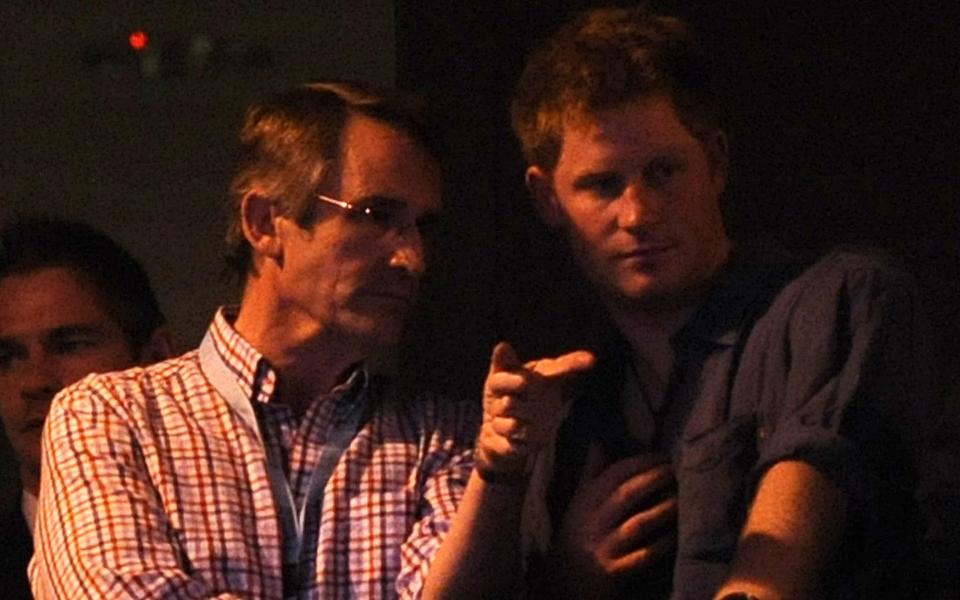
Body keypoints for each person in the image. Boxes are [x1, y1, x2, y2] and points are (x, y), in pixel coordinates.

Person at [472, 7, 958, 599]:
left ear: (717, 162)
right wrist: (566, 573)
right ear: (548, 199)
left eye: (665, 172)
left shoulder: (837, 302)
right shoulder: (577, 412)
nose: (638, 215)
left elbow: (776, 574)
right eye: (602, 185)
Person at [30, 82, 478, 599]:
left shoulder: (444, 437)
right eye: (377, 217)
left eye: (424, 227)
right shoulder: (111, 416)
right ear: (265, 223)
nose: (412, 259)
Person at [0, 216, 171, 600]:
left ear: (156, 358)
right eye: (7, 357)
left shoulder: (226, 541)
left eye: (70, 345)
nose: (34, 381)